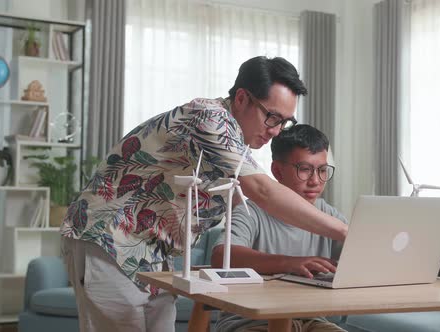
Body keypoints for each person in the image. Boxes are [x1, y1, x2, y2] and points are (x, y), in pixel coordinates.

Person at [60, 56, 349, 331]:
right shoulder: (209, 117)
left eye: (285, 122)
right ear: (242, 99)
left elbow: (242, 199)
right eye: (272, 117)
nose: (276, 131)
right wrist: (347, 232)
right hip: (110, 237)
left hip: (155, 252)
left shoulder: (234, 143)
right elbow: (263, 190)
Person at [211, 124, 348, 332]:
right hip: (250, 322)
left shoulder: (330, 216)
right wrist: (289, 263)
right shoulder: (251, 212)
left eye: (322, 170)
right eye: (304, 169)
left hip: (312, 321)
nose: (315, 181)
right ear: (277, 171)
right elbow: (221, 257)